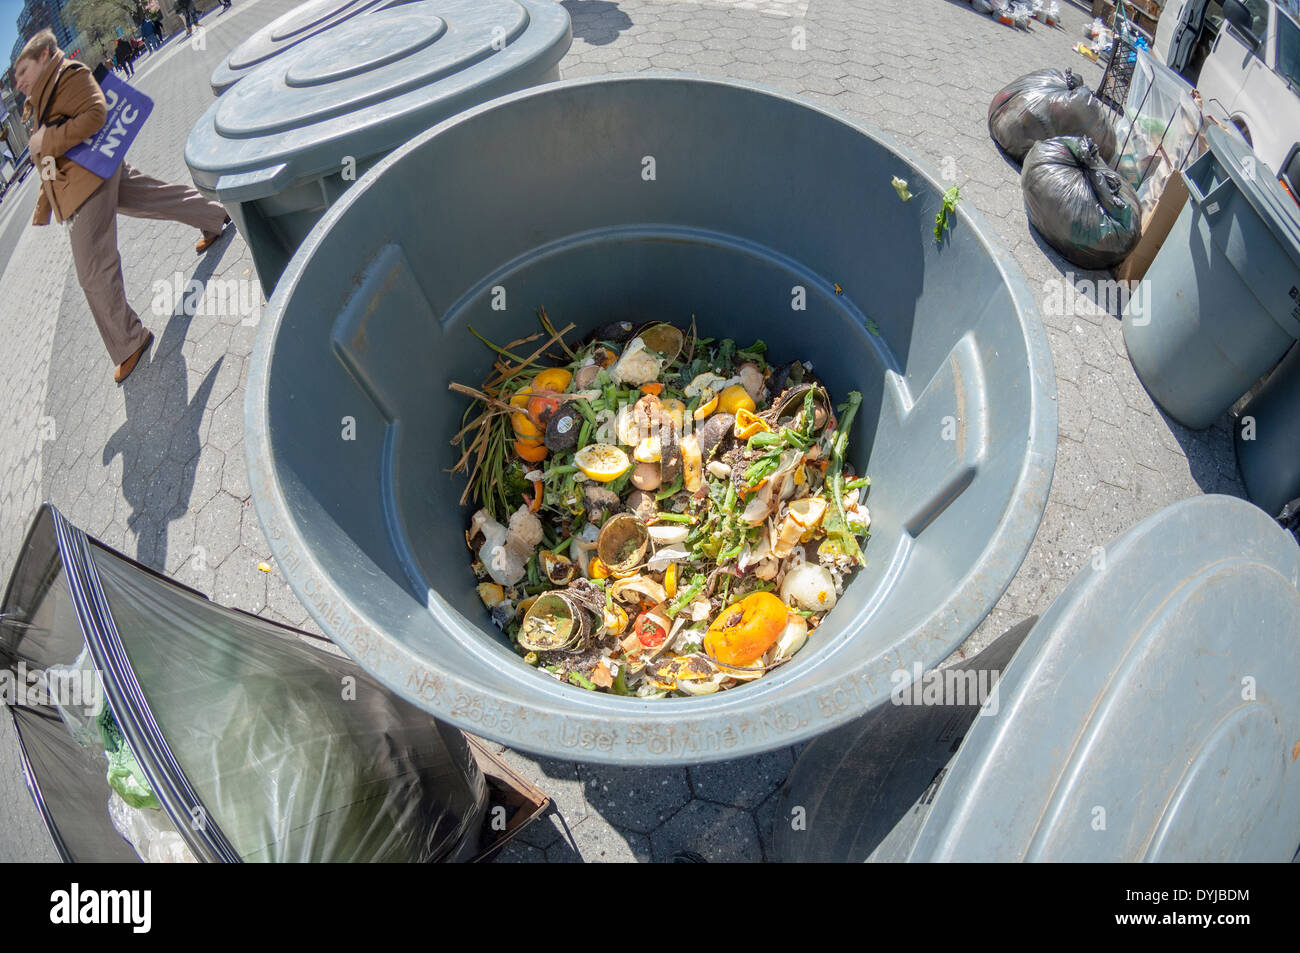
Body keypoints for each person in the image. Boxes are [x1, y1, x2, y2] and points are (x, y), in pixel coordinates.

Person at [14, 30, 232, 383]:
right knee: (154, 198)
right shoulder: (41, 99)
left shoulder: (68, 75)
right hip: (90, 175)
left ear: (42, 58)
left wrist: (46, 139)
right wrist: (45, 204)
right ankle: (214, 213)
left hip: (89, 183)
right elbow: (46, 158)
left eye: (22, 71)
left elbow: (95, 115)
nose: (19, 82)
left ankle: (130, 341)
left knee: (93, 272)